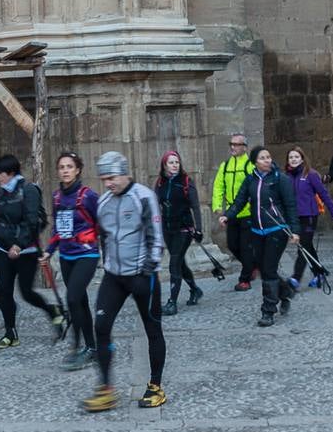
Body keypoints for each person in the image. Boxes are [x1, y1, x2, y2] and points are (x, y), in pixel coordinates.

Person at [82, 151, 167, 412]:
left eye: (112, 177)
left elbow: (156, 238)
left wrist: (148, 271)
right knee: (102, 326)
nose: (108, 183)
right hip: (114, 277)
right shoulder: (105, 201)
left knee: (153, 330)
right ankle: (106, 389)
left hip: (142, 276)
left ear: (125, 173)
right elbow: (104, 238)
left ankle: (155, 386)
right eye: (104, 178)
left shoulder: (143, 196)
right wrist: (105, 265)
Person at [0, 154, 63, 349]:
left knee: (26, 292)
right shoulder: (2, 193)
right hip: (3, 250)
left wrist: (19, 245)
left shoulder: (29, 190)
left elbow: (33, 222)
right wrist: (4, 244)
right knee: (4, 292)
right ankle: (10, 333)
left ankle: (53, 311)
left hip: (26, 251)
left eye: (1, 173)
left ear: (11, 172)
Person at [221, 146, 299, 327]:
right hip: (256, 231)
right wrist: (228, 215)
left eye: (269, 157)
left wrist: (295, 231)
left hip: (276, 229)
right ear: (255, 162)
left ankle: (268, 311)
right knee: (264, 269)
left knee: (269, 269)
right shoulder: (250, 180)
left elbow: (290, 206)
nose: (267, 160)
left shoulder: (281, 179)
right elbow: (239, 201)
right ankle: (285, 291)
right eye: (263, 158)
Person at [42, 152, 100, 370]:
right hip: (66, 256)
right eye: (61, 167)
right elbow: (59, 228)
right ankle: (90, 348)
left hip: (87, 255)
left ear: (78, 170)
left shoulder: (88, 196)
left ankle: (78, 345)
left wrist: (93, 239)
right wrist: (49, 250)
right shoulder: (57, 197)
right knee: (80, 302)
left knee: (73, 298)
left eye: (69, 166)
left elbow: (102, 222)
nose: (65, 170)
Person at [155, 150, 204, 315]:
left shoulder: (186, 182)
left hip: (184, 228)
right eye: (171, 162)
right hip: (168, 228)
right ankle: (195, 290)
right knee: (180, 263)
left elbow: (195, 207)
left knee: (174, 262)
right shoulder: (160, 183)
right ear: (164, 165)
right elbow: (156, 206)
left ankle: (172, 302)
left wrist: (199, 229)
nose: (175, 165)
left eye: (177, 162)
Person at [284, 145, 333, 290]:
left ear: (302, 158)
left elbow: (324, 194)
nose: (293, 159)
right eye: (291, 157)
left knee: (302, 246)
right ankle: (319, 273)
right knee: (307, 246)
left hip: (309, 216)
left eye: (296, 157)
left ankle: (296, 277)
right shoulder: (287, 177)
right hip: (294, 218)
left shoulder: (311, 174)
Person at [211, 133, 256, 289]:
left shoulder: (250, 165)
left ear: (244, 147)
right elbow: (218, 187)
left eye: (236, 144)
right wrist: (217, 206)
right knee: (232, 245)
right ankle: (251, 265)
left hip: (248, 212)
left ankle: (245, 279)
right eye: (231, 143)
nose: (232, 147)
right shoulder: (225, 166)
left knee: (245, 246)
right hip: (232, 212)